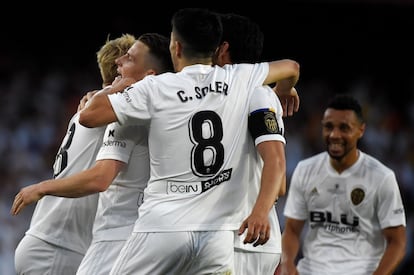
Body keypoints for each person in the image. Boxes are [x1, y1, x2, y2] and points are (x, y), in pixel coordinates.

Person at [77, 8, 299, 274]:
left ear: (177, 46)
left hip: (167, 227)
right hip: (217, 236)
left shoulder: (157, 86)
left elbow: (89, 116)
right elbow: (291, 67)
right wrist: (284, 89)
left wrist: (116, 87)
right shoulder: (242, 79)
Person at [10, 33, 173, 275]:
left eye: (130, 59)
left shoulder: (89, 109)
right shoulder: (109, 114)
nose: (123, 64)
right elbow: (100, 178)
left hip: (51, 242)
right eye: (126, 59)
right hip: (59, 248)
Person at [280, 94, 407, 275]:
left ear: (361, 130)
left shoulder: (381, 177)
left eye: (344, 128)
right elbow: (292, 229)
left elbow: (398, 243)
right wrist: (287, 263)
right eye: (329, 127)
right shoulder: (305, 170)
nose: (334, 135)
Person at [214, 12, 298, 275]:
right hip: (238, 238)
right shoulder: (224, 97)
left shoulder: (257, 95)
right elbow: (280, 184)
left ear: (223, 50)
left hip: (243, 239)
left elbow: (277, 169)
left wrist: (260, 213)